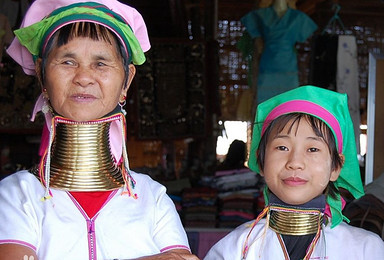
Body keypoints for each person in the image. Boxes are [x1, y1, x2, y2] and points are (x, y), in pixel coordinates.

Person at [0, 1, 200, 259]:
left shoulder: (153, 198)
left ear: (127, 80)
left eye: (101, 63)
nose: (84, 77)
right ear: (41, 74)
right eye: (68, 61)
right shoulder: (17, 195)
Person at [204, 85, 384, 259]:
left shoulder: (365, 249)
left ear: (336, 167)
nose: (295, 163)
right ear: (261, 160)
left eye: (313, 149)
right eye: (282, 147)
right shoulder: (235, 248)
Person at [239, 0, 317, 104]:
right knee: (266, 102)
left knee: (289, 103)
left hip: (289, 67)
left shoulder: (298, 17)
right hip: (267, 67)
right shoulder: (260, 15)